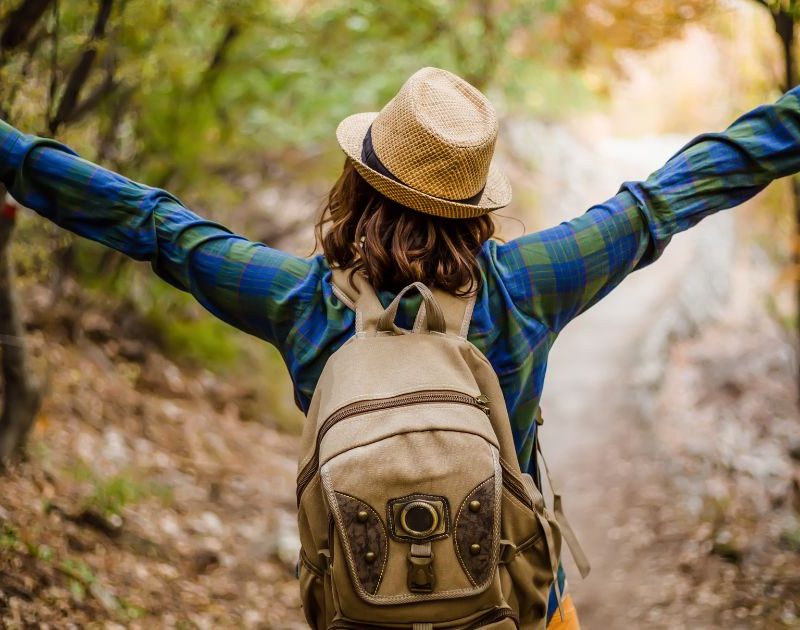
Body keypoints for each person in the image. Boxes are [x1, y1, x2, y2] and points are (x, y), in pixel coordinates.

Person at [1, 66, 799, 629]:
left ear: (357, 181)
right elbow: (664, 198)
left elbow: (153, 226)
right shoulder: (529, 283)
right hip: (518, 605)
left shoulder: (299, 300)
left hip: (364, 601)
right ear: (477, 204)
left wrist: (13, 154)